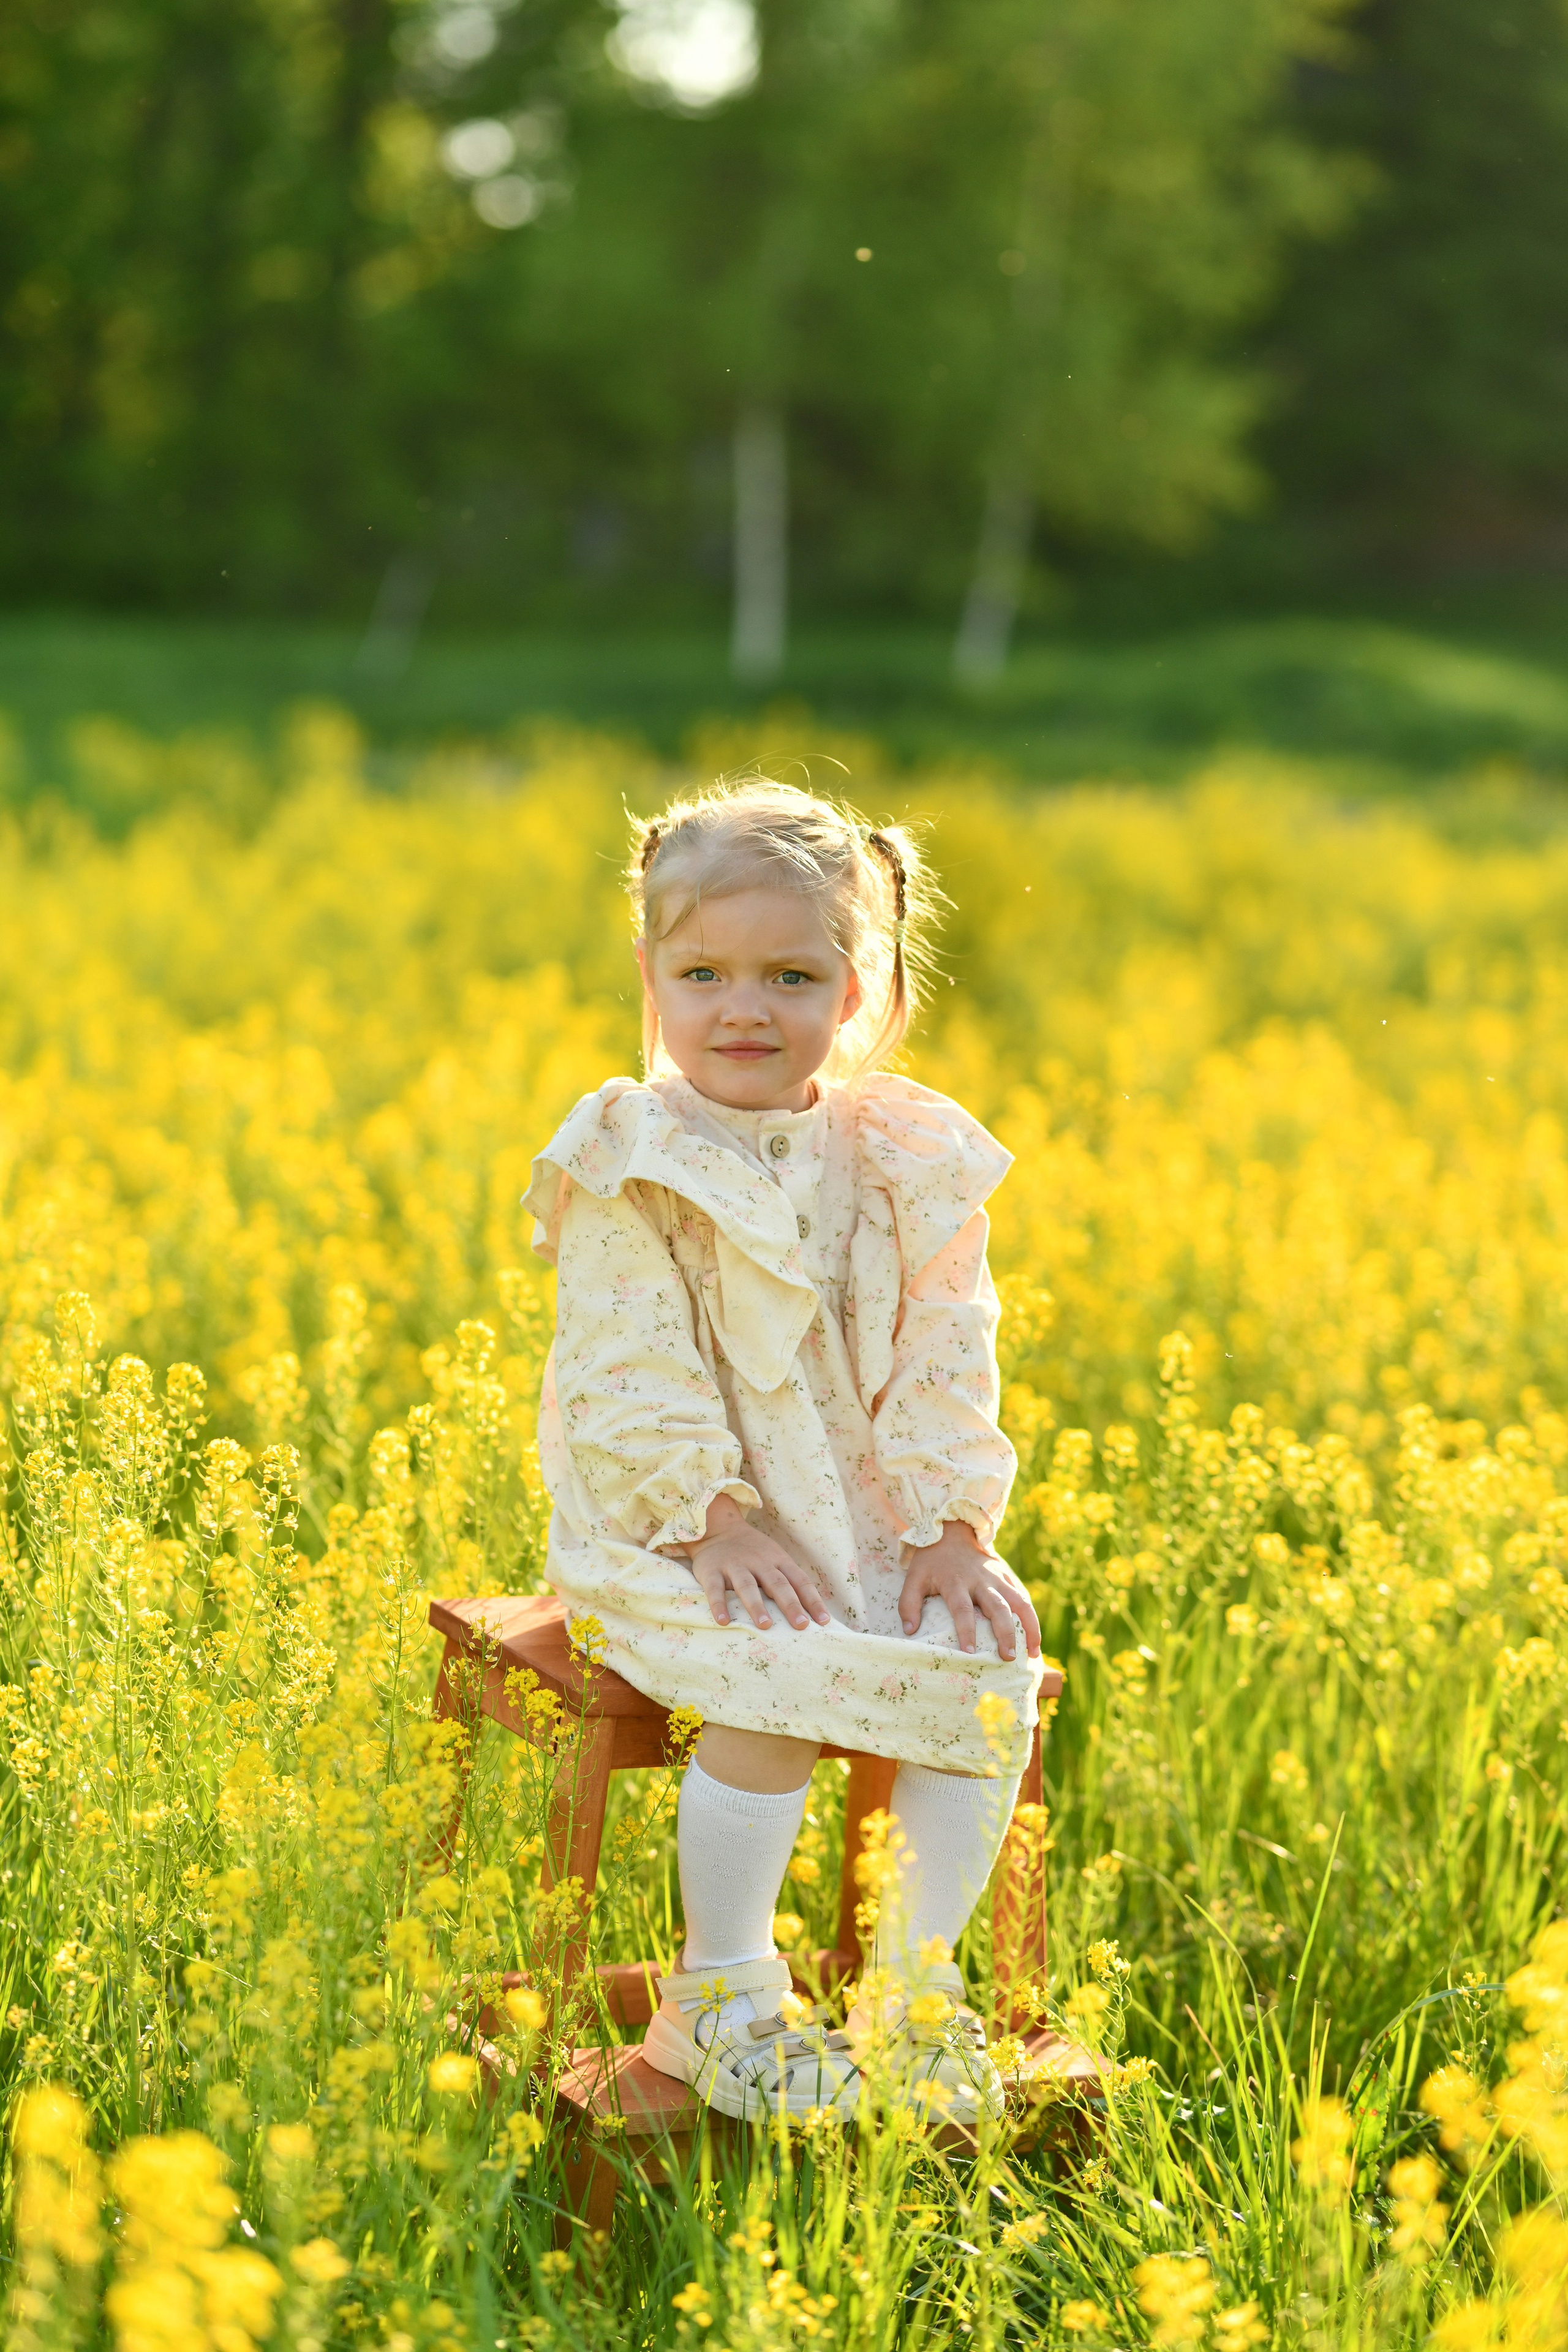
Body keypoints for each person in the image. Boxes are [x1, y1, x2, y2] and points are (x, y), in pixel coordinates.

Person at [522, 780, 1045, 2124]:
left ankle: (911, 2001)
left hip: (861, 1512)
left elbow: (947, 1345)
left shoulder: (897, 1152)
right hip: (675, 1524)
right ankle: (722, 2002)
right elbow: (622, 1368)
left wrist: (947, 1526)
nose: (742, 1007)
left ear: (857, 988)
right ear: (649, 976)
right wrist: (713, 1518)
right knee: (767, 1681)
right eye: (702, 972)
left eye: (789, 974)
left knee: (984, 1667)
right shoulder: (631, 1154)